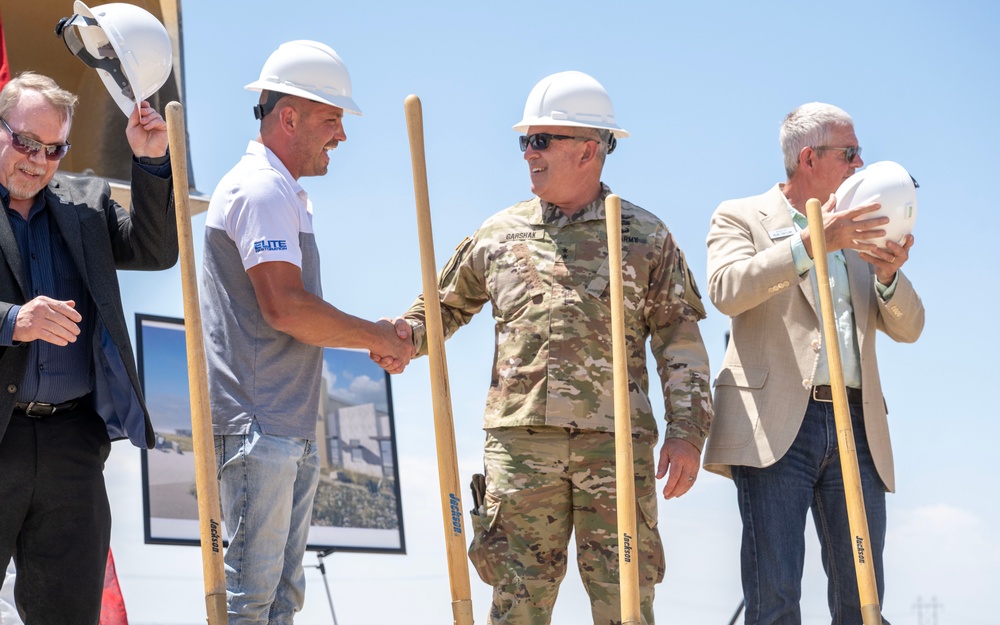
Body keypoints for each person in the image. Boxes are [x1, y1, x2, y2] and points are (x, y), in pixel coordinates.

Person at [376, 70, 713, 625]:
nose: (527, 153)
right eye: (524, 141)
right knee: (516, 608)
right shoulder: (500, 233)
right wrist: (405, 337)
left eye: (541, 141)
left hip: (615, 448)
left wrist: (687, 432)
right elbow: (443, 306)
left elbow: (680, 340)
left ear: (588, 149)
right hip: (521, 451)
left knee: (626, 604)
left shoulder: (645, 237)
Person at [200, 40, 412, 624]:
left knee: (278, 603)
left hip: (283, 428)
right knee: (249, 605)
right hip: (259, 427)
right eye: (331, 119)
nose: (341, 136)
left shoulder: (282, 193)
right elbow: (286, 308)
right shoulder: (261, 190)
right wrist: (378, 337)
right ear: (288, 117)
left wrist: (378, 333)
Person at [702, 102, 924, 624]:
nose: (858, 164)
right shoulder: (741, 216)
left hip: (857, 427)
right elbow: (727, 289)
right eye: (850, 153)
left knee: (863, 601)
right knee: (774, 601)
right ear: (808, 158)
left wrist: (888, 276)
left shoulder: (864, 230)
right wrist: (813, 241)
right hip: (778, 427)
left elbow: (911, 327)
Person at [0, 72, 176, 623]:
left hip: (72, 448)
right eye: (25, 142)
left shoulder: (88, 203)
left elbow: (155, 250)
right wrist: (12, 320)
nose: (37, 160)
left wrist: (149, 163)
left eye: (54, 149)